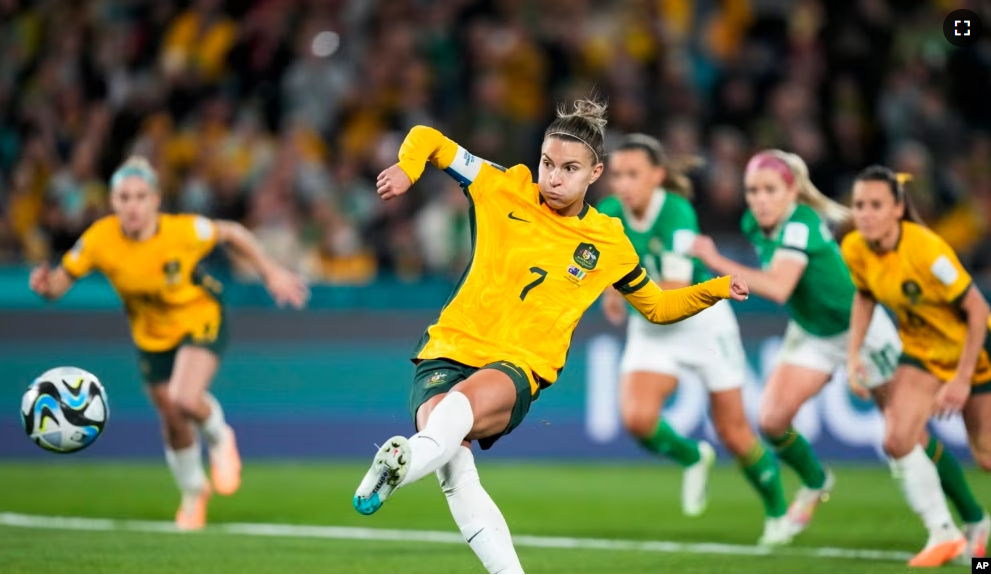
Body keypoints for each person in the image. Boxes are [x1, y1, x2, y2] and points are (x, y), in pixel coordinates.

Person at [351, 100, 749, 574]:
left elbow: (658, 307)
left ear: (595, 173)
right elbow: (428, 137)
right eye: (547, 164)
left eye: (569, 168)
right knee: (455, 472)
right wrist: (408, 167)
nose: (553, 177)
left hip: (517, 364)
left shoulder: (608, 241)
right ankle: (413, 470)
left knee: (457, 409)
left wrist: (716, 289)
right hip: (447, 348)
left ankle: (398, 461)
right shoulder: (501, 184)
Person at [691, 152, 987, 559]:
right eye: (752, 191)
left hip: (862, 332)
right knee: (772, 420)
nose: (759, 200)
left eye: (769, 190)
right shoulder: (753, 224)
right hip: (812, 332)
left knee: (909, 437)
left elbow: (779, 288)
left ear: (792, 191)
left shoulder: (802, 223)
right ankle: (816, 482)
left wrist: (715, 261)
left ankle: (970, 519)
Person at [28, 156, 308, 530]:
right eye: (124, 197)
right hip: (150, 334)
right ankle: (194, 493)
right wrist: (46, 288)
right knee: (171, 415)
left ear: (156, 199)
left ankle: (220, 435)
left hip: (200, 317)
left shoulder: (182, 231)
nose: (132, 205)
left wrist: (271, 272)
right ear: (113, 202)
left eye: (140, 196)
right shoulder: (99, 239)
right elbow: (60, 282)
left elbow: (233, 233)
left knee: (184, 398)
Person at [597, 135, 790, 544]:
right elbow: (601, 266)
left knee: (734, 432)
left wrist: (619, 290)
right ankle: (692, 457)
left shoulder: (676, 212)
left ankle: (778, 510)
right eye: (617, 175)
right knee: (637, 418)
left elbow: (672, 289)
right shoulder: (609, 213)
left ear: (657, 176)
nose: (623, 184)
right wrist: (607, 292)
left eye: (633, 174)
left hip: (701, 320)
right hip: (650, 325)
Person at [843, 165, 991, 567]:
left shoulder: (927, 250)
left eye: (876, 205)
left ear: (897, 208)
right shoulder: (855, 248)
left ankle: (978, 524)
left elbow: (978, 310)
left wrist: (962, 380)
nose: (866, 213)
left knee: (986, 457)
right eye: (859, 205)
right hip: (922, 353)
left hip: (974, 353)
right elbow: (864, 297)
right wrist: (853, 354)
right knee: (896, 439)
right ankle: (944, 532)